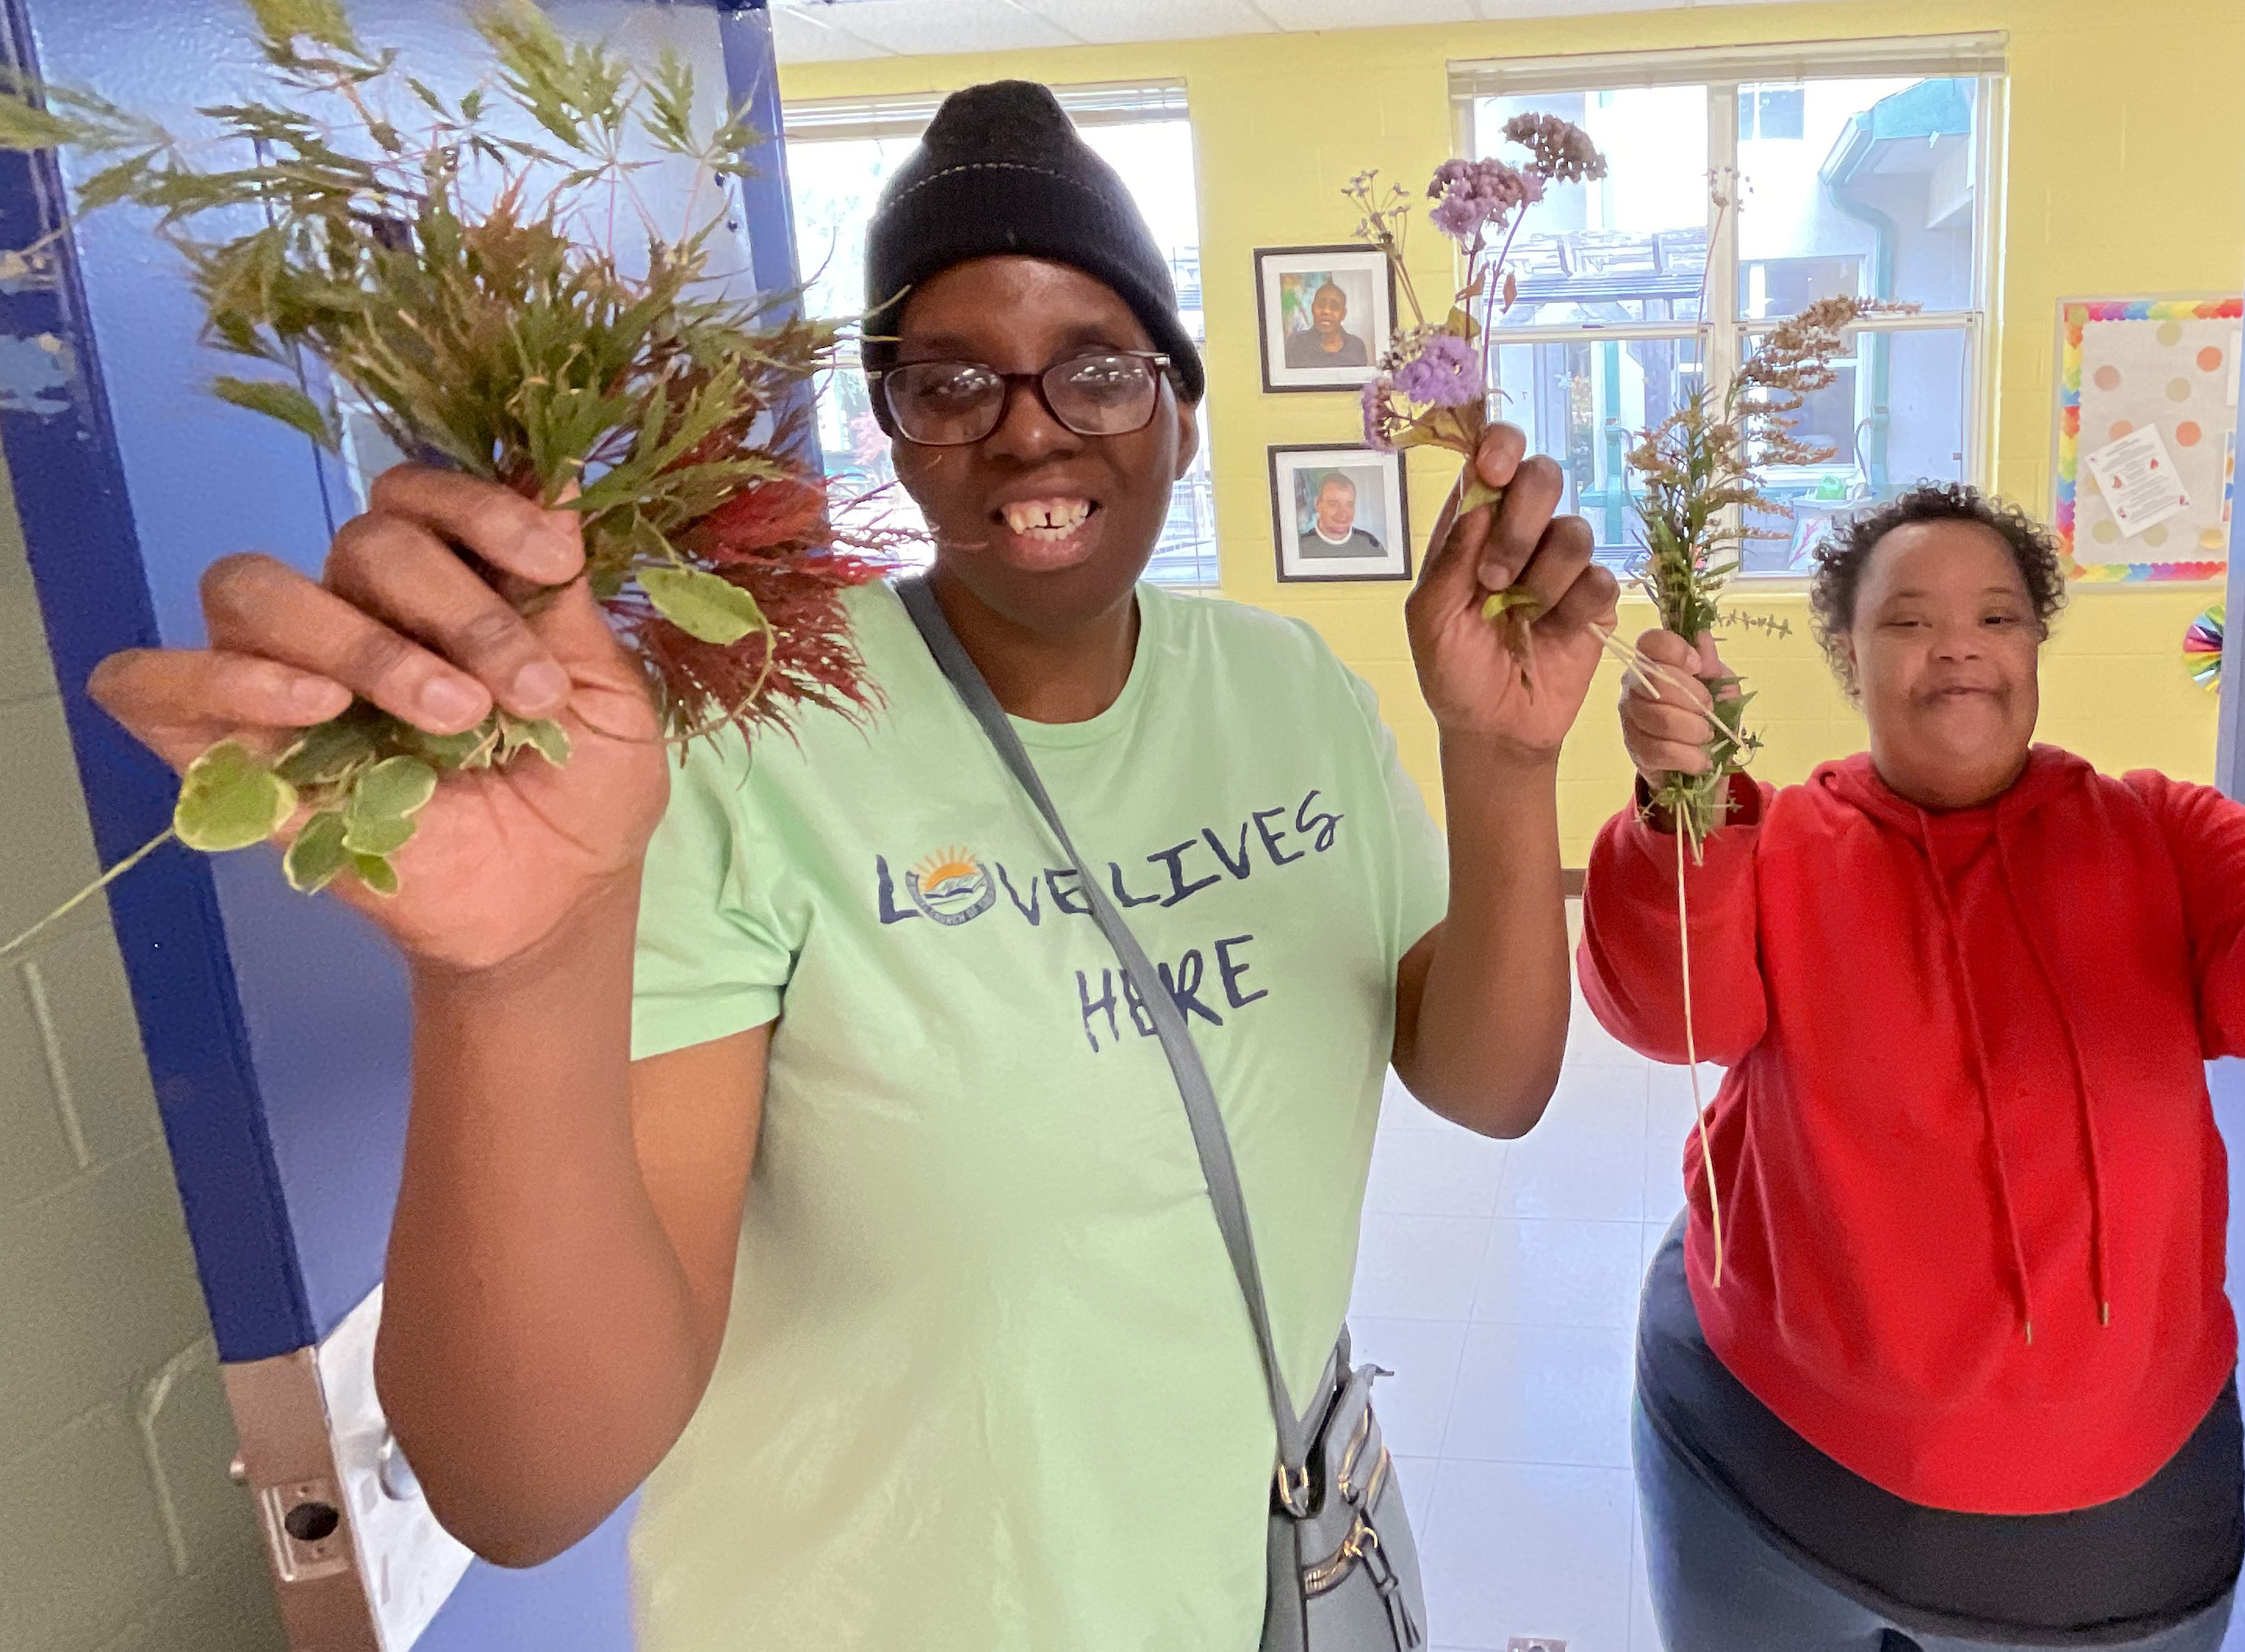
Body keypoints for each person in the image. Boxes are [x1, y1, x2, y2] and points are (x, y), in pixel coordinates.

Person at [92, 81, 1620, 1650]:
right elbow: (524, 1484)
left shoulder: (1287, 691)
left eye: (1095, 366)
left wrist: (1503, 762)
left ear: (1180, 404)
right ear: (890, 424)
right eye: (951, 379)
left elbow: (1484, 1080)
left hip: (1266, 1576)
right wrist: (507, 976)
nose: (1028, 422)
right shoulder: (753, 742)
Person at [1581, 482, 2245, 1652]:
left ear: (2039, 644)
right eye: (1906, 619)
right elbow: (1663, 1007)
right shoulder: (1774, 839)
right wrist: (1679, 814)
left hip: (2115, 1525)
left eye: (1998, 615)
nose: (1957, 642)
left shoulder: (2160, 836)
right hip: (1761, 1450)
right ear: (1848, 653)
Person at [1285, 277, 1370, 370]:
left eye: (1334, 306)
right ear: (1313, 309)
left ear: (1343, 314)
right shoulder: (1296, 343)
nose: (1326, 311)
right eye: (1321, 305)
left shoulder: (1356, 346)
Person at [1300, 470, 1388, 559]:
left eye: (1349, 505)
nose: (1343, 513)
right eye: (1333, 504)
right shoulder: (1300, 547)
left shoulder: (1371, 545)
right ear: (1317, 504)